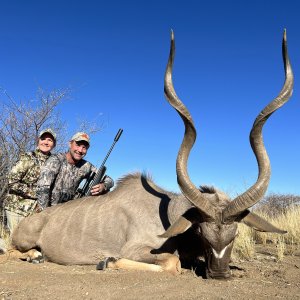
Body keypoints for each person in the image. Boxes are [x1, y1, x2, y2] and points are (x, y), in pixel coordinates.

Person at [35, 132, 114, 211]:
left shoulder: (86, 166)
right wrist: (45, 214)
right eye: (78, 145)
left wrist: (103, 186)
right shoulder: (55, 160)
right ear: (70, 144)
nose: (80, 150)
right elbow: (42, 189)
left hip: (69, 210)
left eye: (84, 147)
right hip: (49, 210)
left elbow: (110, 180)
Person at [3, 129, 56, 234]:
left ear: (54, 144)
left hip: (37, 213)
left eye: (50, 140)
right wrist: (35, 193)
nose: (46, 142)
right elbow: (11, 180)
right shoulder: (28, 157)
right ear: (38, 141)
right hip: (17, 208)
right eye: (43, 139)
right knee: (15, 243)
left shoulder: (55, 162)